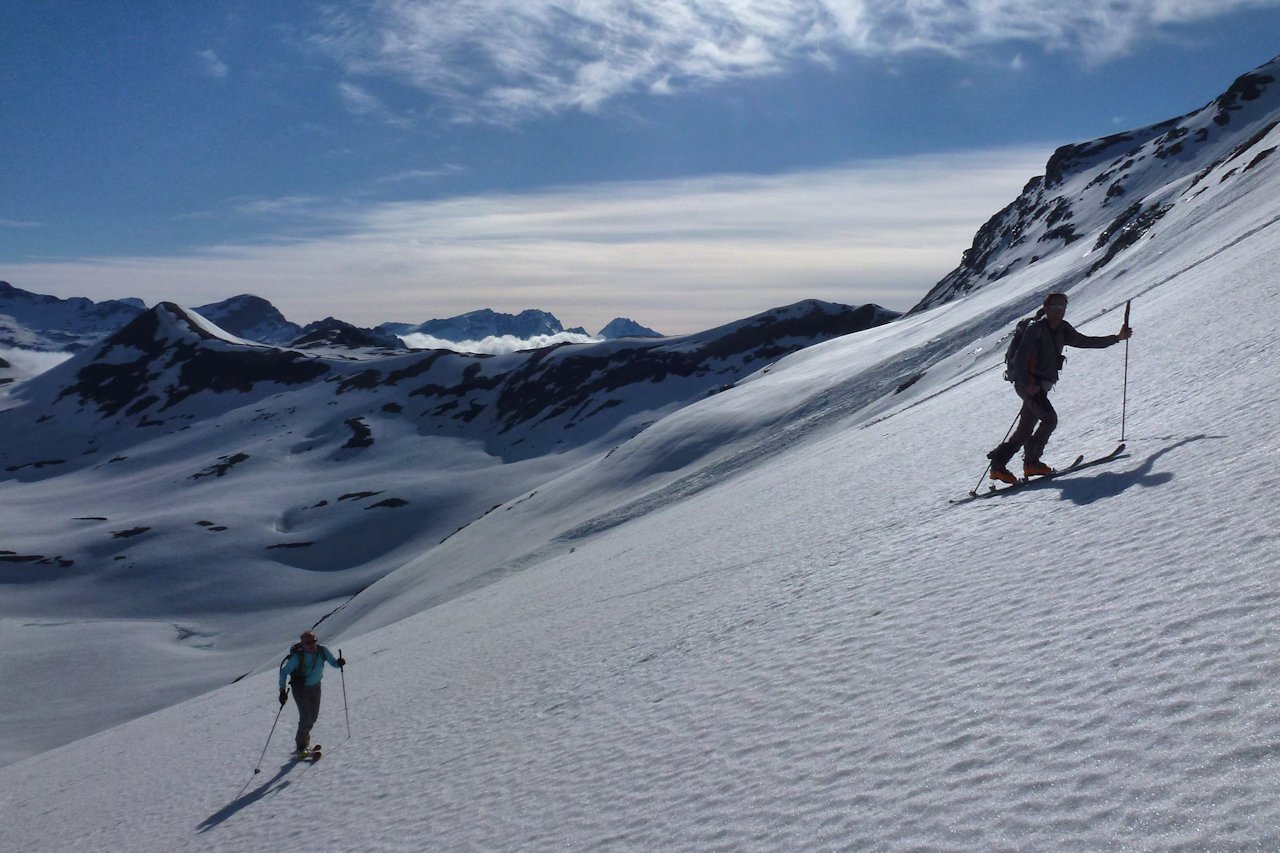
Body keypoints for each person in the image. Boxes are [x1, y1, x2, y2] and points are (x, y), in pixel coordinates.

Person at [987, 292, 1132, 483]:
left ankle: (999, 466)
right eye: (1054, 307)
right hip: (1029, 385)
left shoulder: (1062, 329)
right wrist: (1029, 384)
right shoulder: (1035, 329)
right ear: (1046, 309)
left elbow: (1085, 341)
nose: (1058, 311)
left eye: (1062, 307)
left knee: (1025, 428)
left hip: (1038, 387)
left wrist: (1117, 338)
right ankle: (1031, 462)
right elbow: (1021, 358)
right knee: (1049, 419)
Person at [278, 630, 345, 756]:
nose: (312, 644)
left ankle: (305, 740)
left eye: (314, 641)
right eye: (308, 642)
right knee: (305, 717)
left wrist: (339, 663)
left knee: (313, 717)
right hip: (300, 690)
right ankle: (301, 746)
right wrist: (282, 690)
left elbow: (334, 663)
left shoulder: (322, 651)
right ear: (302, 644)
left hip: (316, 687)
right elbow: (284, 671)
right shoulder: (298, 657)